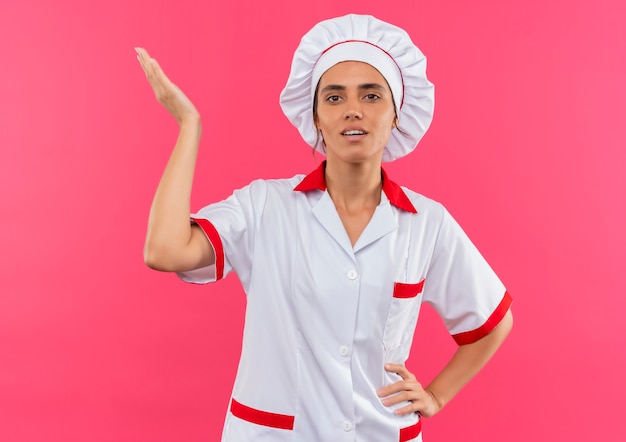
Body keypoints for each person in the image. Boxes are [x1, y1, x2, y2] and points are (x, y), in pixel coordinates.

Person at [137, 14, 513, 442]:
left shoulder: (426, 223)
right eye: (334, 98)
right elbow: (164, 251)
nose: (352, 109)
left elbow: (493, 320)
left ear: (396, 115)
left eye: (371, 95)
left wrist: (435, 396)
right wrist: (190, 126)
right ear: (315, 117)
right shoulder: (265, 207)